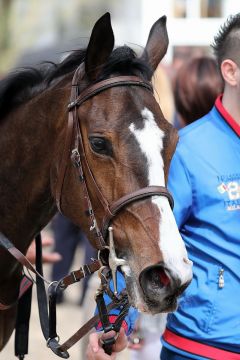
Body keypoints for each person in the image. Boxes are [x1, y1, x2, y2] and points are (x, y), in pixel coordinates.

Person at [87, 13, 240, 360]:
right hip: (202, 349)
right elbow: (140, 235)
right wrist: (114, 323)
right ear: (230, 72)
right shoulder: (186, 152)